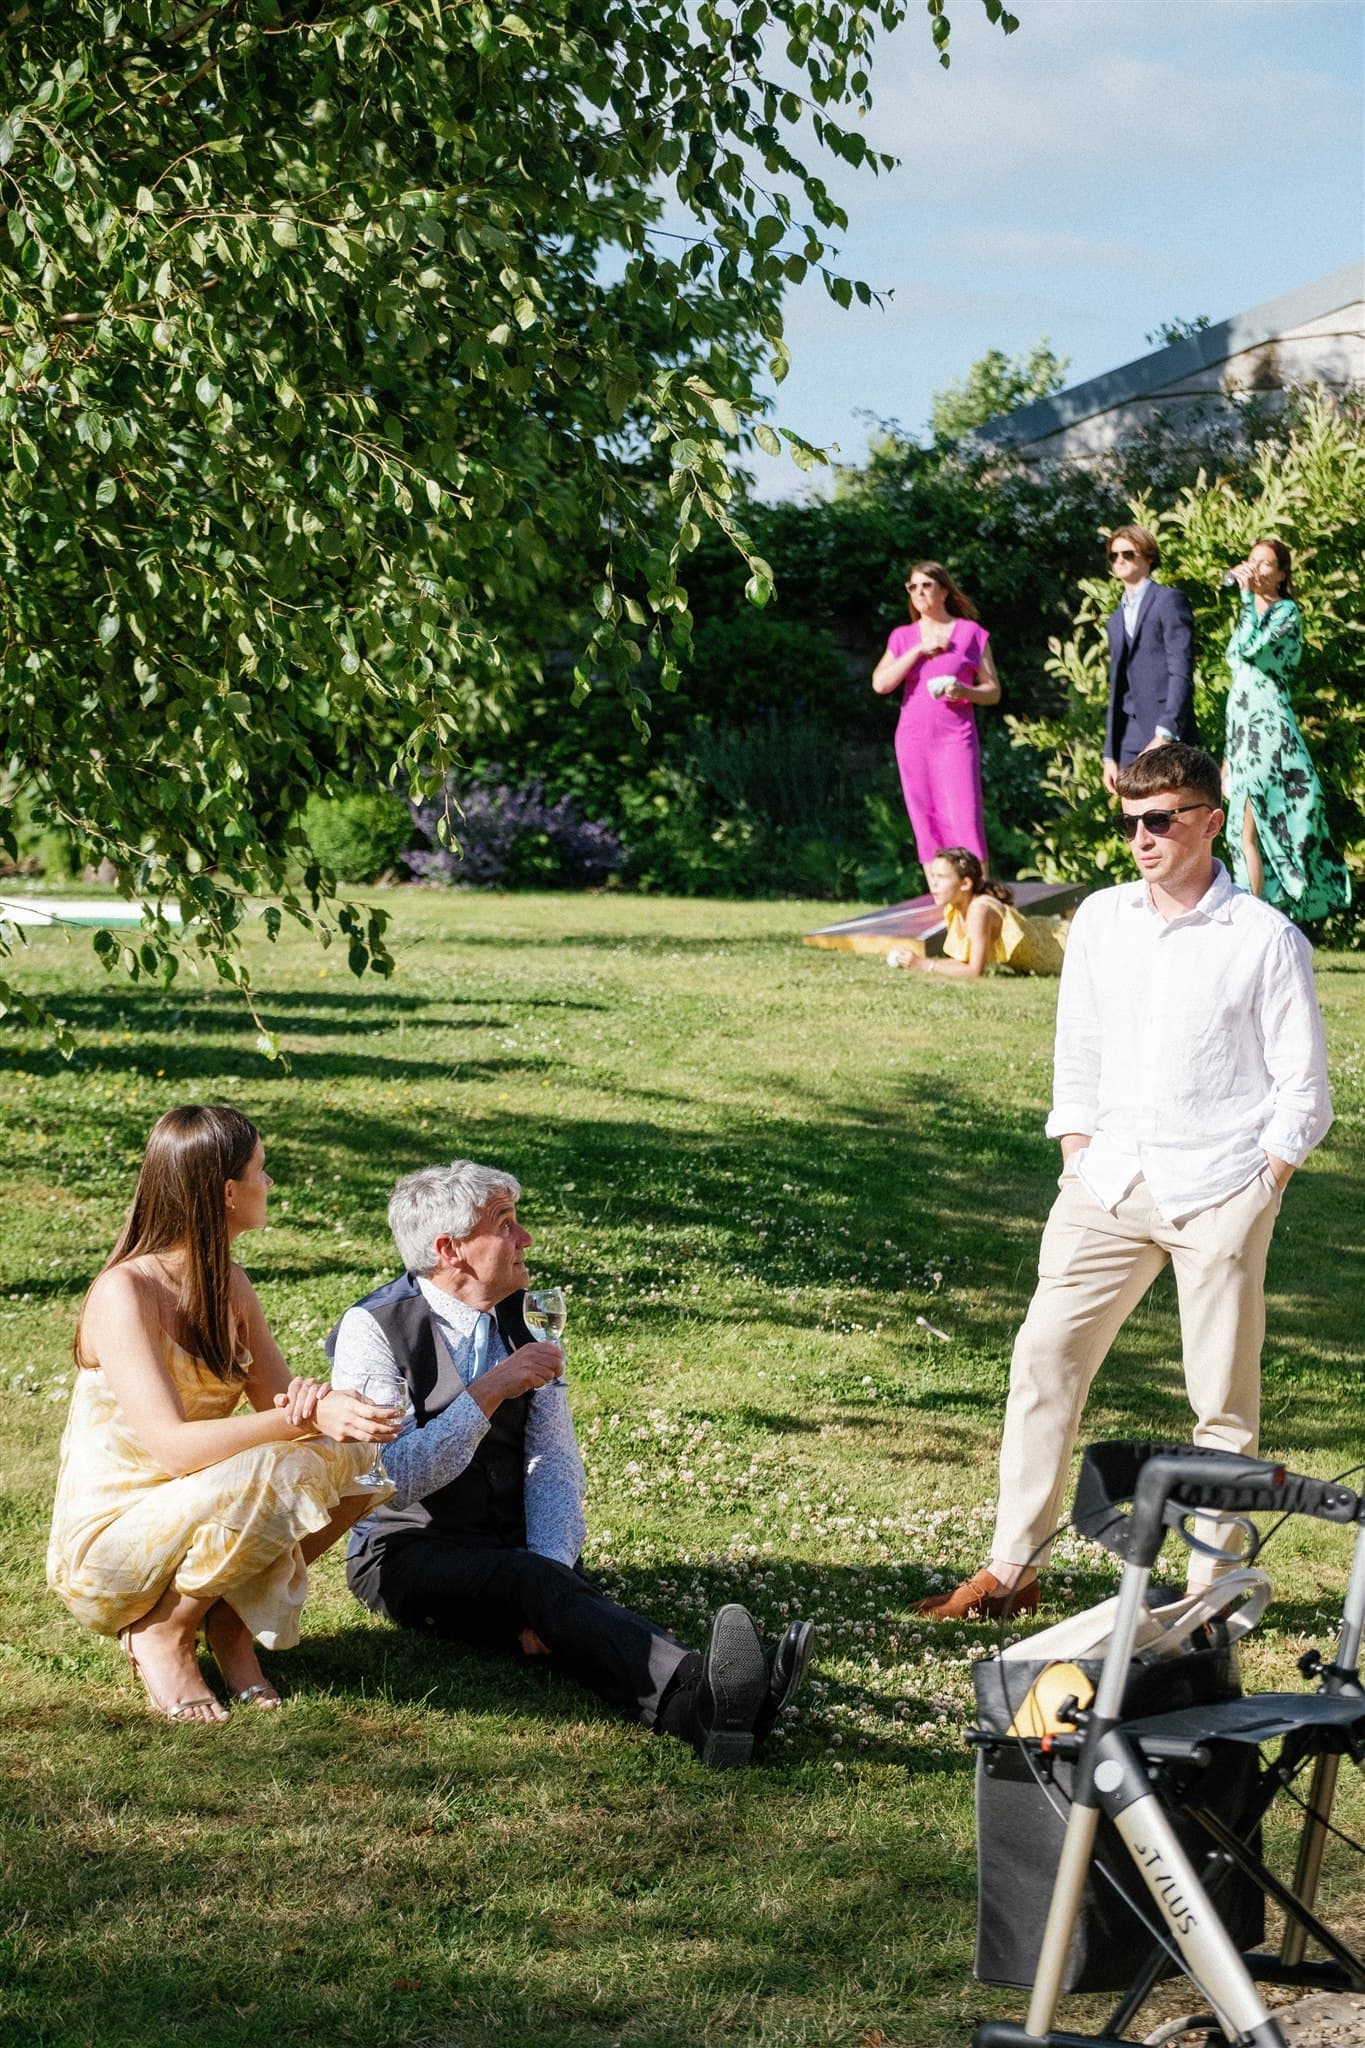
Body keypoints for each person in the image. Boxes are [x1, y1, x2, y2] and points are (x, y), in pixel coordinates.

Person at [916, 743, 1332, 1622]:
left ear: (1208, 821)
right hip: (1104, 1183)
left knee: (1220, 1400)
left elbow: (1304, 1091)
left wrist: (1262, 1185)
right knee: (1041, 1360)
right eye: (1131, 821)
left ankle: (1209, 1588)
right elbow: (1081, 1049)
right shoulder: (1101, 920)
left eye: (1160, 819)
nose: (1141, 837)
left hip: (1219, 1185)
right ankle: (1011, 1567)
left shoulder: (1263, 939)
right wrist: (1075, 1149)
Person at [329, 1161, 815, 1768]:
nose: (525, 1239)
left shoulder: (528, 1314)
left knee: (544, 1590)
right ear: (450, 1250)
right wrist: (489, 1391)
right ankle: (705, 1692)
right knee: (536, 1589)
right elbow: (393, 1482)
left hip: (513, 1547)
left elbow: (551, 1459)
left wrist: (552, 1568)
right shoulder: (372, 1329)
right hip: (407, 1549)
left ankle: (708, 1713)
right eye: (505, 1225)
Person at [47, 1105, 398, 1721]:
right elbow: (174, 1448)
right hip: (110, 1549)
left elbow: (284, 1407)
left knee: (355, 1460)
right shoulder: (124, 1293)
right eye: (262, 1171)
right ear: (227, 1192)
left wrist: (327, 1408)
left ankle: (229, 1622)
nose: (270, 1184)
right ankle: (162, 1631)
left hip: (195, 1511)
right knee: (287, 1468)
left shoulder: (228, 1284)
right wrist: (302, 1419)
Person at [1223, 537, 1350, 922]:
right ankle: (1262, 916)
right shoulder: (1249, 612)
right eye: (1252, 561)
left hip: (1270, 732)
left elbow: (1250, 648)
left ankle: (1254, 921)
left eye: (1266, 564)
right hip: (1242, 733)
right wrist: (1228, 755)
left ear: (1281, 574)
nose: (1256, 569)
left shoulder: (1286, 612)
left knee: (1255, 826)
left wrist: (1246, 600)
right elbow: (1238, 675)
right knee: (1239, 832)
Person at [872, 560, 1001, 871]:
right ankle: (941, 900)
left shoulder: (969, 633)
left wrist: (964, 691)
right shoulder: (903, 637)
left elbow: (993, 691)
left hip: (955, 737)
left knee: (964, 816)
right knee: (925, 819)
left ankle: (979, 897)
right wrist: (918, 651)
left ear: (944, 590)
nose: (918, 592)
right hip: (913, 739)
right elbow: (880, 683)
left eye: (926, 585)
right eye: (912, 587)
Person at [1102, 524, 1196, 796]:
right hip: (1128, 736)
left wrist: (1167, 730)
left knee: (1171, 816)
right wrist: (1110, 753)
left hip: (1167, 730)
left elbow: (1181, 669)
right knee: (1133, 818)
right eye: (1114, 555)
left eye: (1128, 554)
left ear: (1148, 557)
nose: (1119, 560)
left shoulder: (1168, 600)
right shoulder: (1115, 620)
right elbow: (1116, 688)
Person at [886, 847, 1064, 979]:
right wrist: (918, 962)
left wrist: (923, 964)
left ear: (965, 884)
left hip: (1064, 949)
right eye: (933, 876)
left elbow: (973, 970)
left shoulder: (979, 910)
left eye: (942, 877)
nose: (933, 884)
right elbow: (963, 963)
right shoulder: (955, 909)